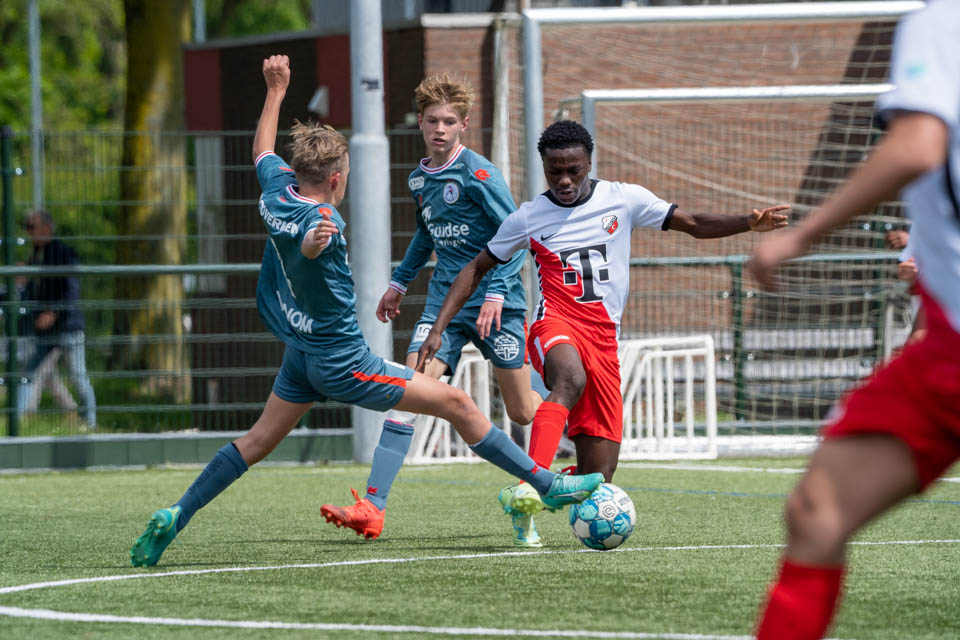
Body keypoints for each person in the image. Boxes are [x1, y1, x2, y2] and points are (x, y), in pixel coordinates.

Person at [129, 55, 602, 568]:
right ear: (335, 178)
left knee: (256, 441)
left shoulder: (274, 188)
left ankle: (176, 515)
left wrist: (275, 92)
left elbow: (261, 147)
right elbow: (312, 244)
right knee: (461, 406)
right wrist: (315, 238)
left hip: (300, 352)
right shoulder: (326, 220)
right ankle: (546, 485)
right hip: (343, 361)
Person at [417, 119, 789, 545]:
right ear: (543, 167)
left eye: (573, 169)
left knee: (600, 475)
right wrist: (437, 327)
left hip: (604, 339)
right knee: (568, 378)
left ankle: (538, 492)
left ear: (589, 162)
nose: (564, 180)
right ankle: (528, 486)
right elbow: (475, 267)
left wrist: (747, 222)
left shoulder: (623, 199)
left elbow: (693, 222)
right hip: (553, 323)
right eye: (554, 171)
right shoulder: (530, 216)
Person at [748, 3, 960, 637]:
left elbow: (918, 144)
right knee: (818, 510)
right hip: (946, 345)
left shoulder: (939, 20)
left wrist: (801, 235)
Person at [320, 72, 547, 547]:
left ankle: (551, 465)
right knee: (409, 389)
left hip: (497, 303)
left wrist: (497, 291)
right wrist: (399, 283)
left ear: (463, 124)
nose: (439, 128)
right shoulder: (420, 177)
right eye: (430, 120)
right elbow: (427, 233)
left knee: (524, 411)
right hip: (446, 304)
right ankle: (373, 508)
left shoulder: (479, 174)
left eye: (448, 121)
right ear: (420, 123)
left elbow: (517, 233)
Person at [17, 210, 96, 428]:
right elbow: (34, 290)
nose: (28, 232)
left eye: (32, 227)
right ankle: (18, 420)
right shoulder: (36, 255)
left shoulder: (63, 253)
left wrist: (53, 313)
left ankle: (90, 423)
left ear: (46, 228)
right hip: (46, 330)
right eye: (27, 227)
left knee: (78, 376)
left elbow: (72, 291)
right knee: (29, 372)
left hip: (67, 327)